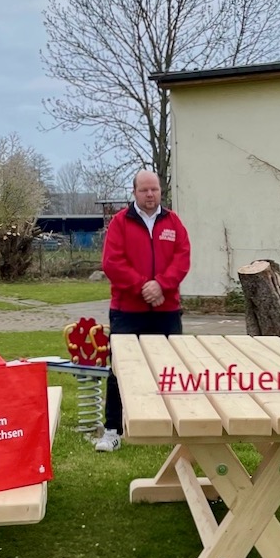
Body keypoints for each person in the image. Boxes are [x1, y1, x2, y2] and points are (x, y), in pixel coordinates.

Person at [94, 169, 191, 452]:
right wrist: (143, 287)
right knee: (121, 370)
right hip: (127, 311)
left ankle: (173, 426)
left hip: (167, 309)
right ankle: (113, 429)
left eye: (155, 190)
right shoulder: (120, 223)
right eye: (144, 190)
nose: (150, 195)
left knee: (169, 369)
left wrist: (161, 285)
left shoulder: (174, 222)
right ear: (134, 192)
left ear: (161, 191)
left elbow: (182, 259)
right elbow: (112, 262)